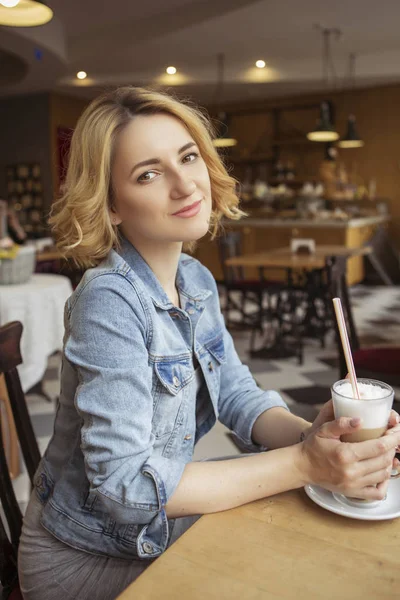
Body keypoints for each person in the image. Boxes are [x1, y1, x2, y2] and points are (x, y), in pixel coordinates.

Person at [18, 87, 400, 600]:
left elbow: (237, 395)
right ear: (109, 206)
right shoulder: (107, 301)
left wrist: (319, 438)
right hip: (85, 557)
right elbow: (123, 488)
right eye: (148, 174)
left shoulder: (195, 278)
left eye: (188, 156)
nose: (185, 185)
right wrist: (303, 464)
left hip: (147, 532)